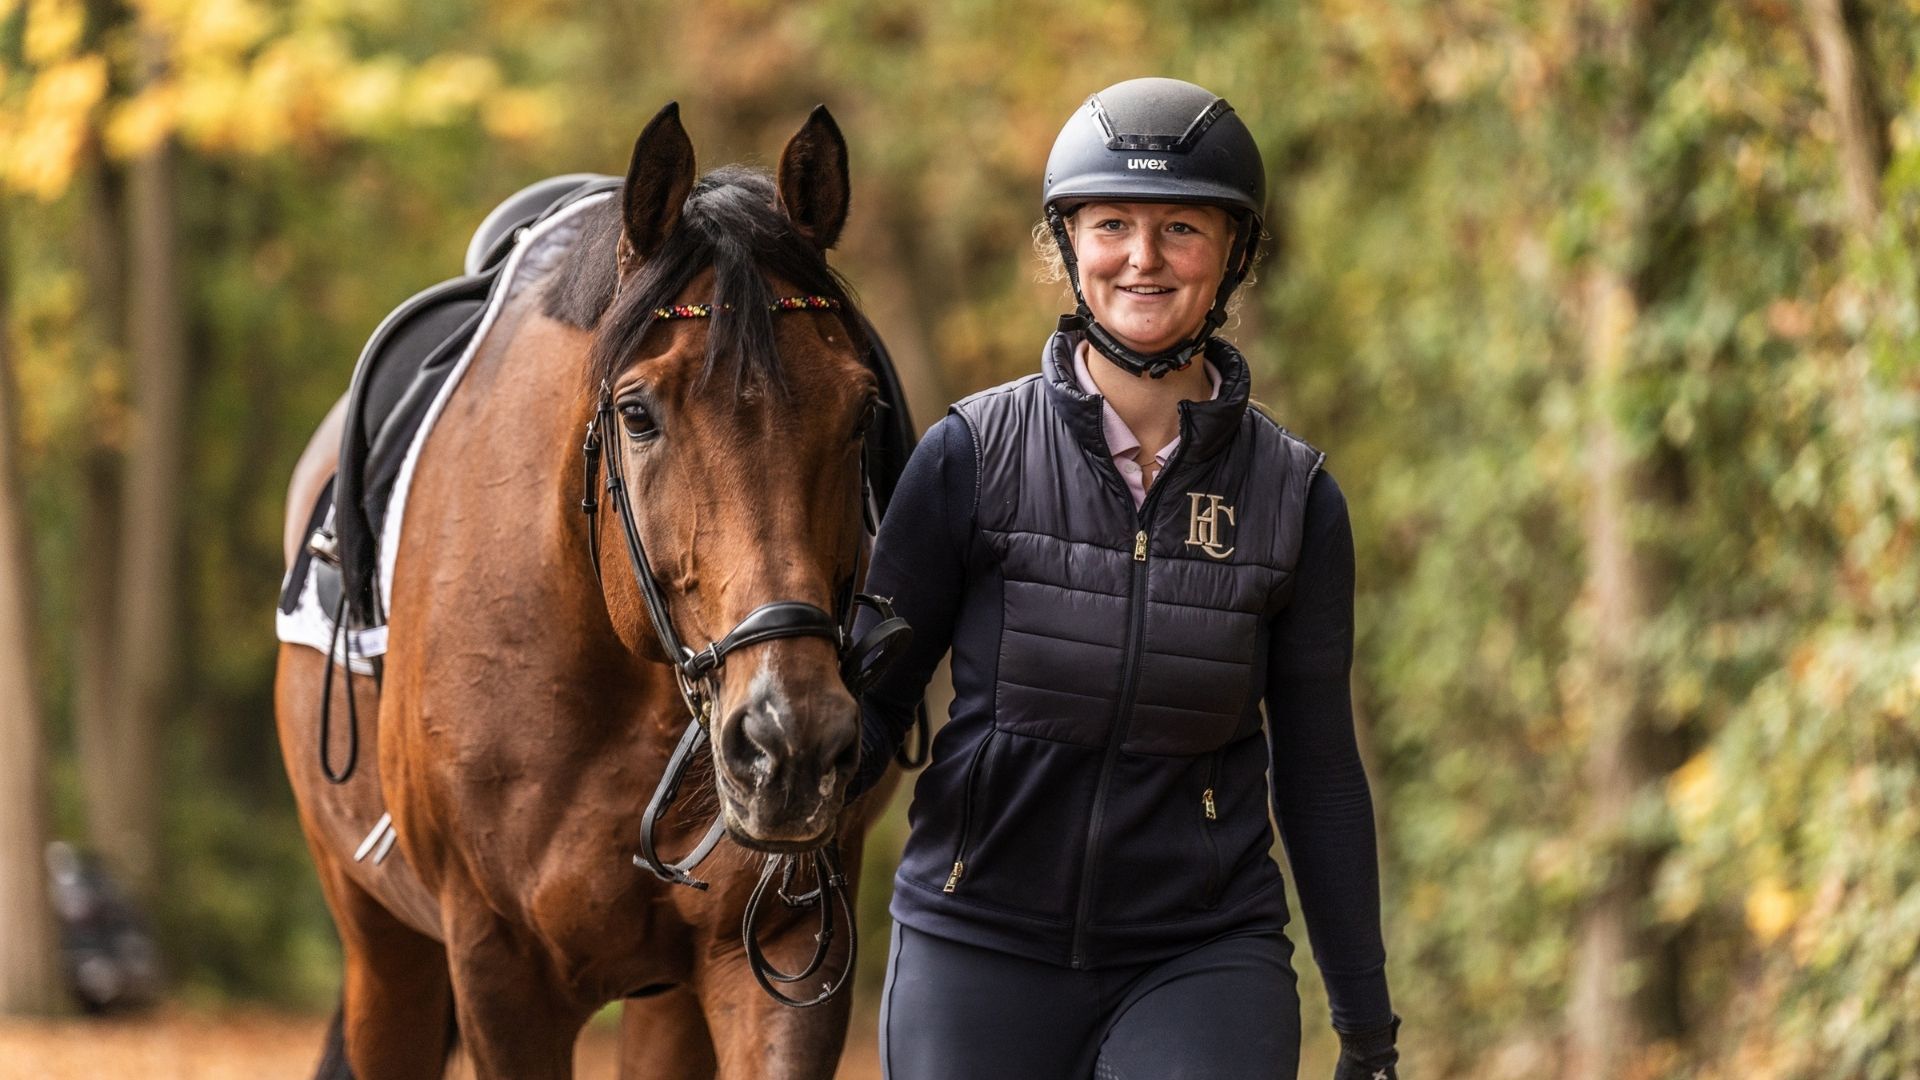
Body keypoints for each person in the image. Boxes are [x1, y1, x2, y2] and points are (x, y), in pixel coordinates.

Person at [850, 77, 1401, 1080]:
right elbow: (868, 716)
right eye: (1111, 224)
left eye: (1181, 227)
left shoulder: (1293, 497)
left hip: (1199, 954)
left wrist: (1366, 1026)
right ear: (1067, 246)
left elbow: (1319, 768)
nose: (1142, 257)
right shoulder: (969, 455)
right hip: (978, 939)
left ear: (1234, 252)